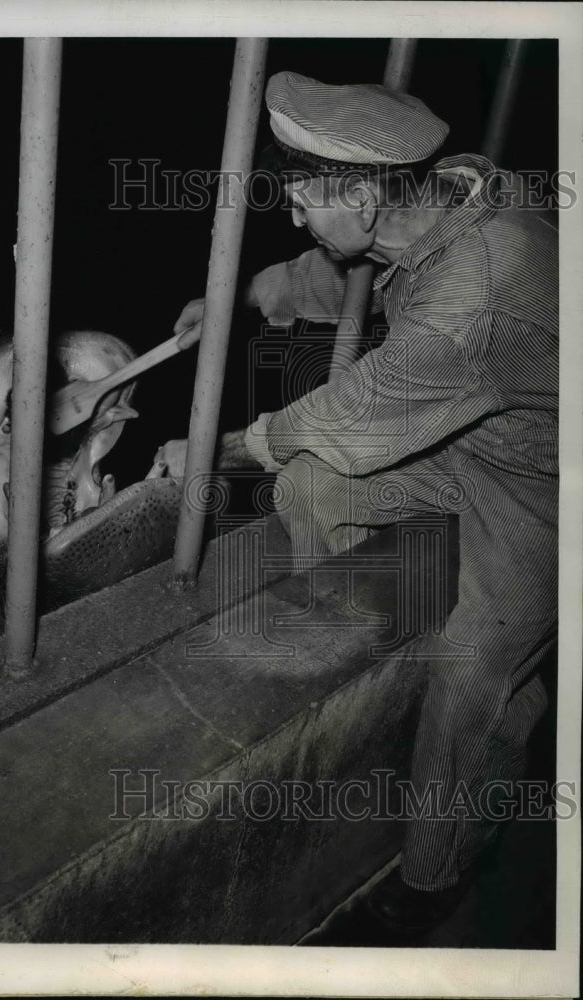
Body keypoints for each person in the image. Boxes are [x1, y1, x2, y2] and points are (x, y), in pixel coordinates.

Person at [156, 72, 558, 934]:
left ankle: (437, 878)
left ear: (368, 196)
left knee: (472, 670)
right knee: (312, 483)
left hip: (549, 486)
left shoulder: (477, 292)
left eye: (304, 202)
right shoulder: (436, 200)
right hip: (468, 437)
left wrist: (216, 447)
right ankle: (365, 669)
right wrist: (238, 298)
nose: (294, 217)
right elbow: (346, 265)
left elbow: (355, 414)